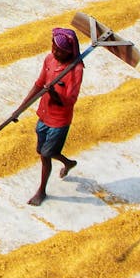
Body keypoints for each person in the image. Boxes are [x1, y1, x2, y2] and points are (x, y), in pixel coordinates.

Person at [27, 27, 83, 206]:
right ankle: (68, 162)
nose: (56, 53)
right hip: (44, 114)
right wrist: (19, 108)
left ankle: (41, 191)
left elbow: (69, 101)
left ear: (69, 53)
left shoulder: (76, 70)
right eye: (55, 48)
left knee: (46, 154)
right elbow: (38, 84)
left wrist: (54, 93)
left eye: (61, 52)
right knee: (43, 151)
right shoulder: (50, 59)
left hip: (59, 121)